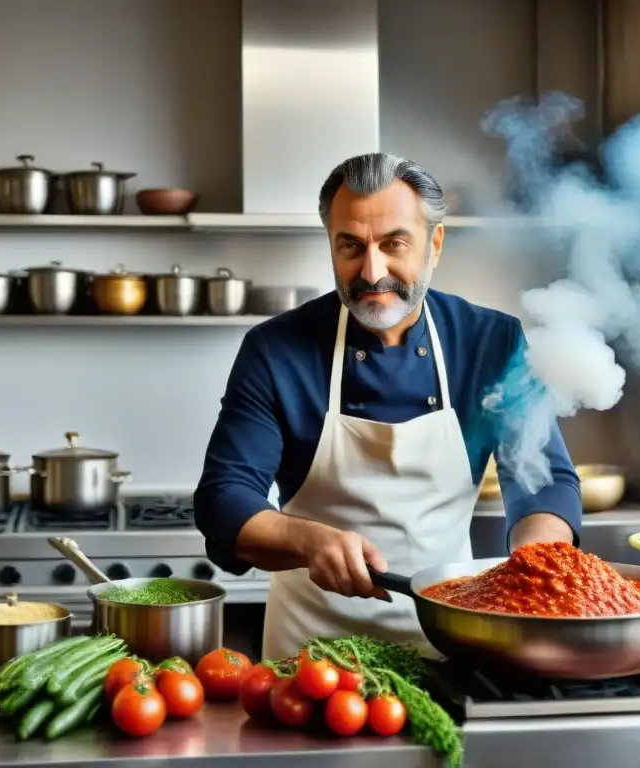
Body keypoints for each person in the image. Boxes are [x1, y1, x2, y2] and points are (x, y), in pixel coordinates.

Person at [194, 152, 582, 660]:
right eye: (351, 246)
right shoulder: (276, 350)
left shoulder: (491, 342)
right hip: (311, 660)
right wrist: (308, 541)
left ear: (434, 244)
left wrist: (535, 562)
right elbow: (224, 497)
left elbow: (544, 480)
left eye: (394, 244)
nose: (372, 272)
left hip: (449, 641)